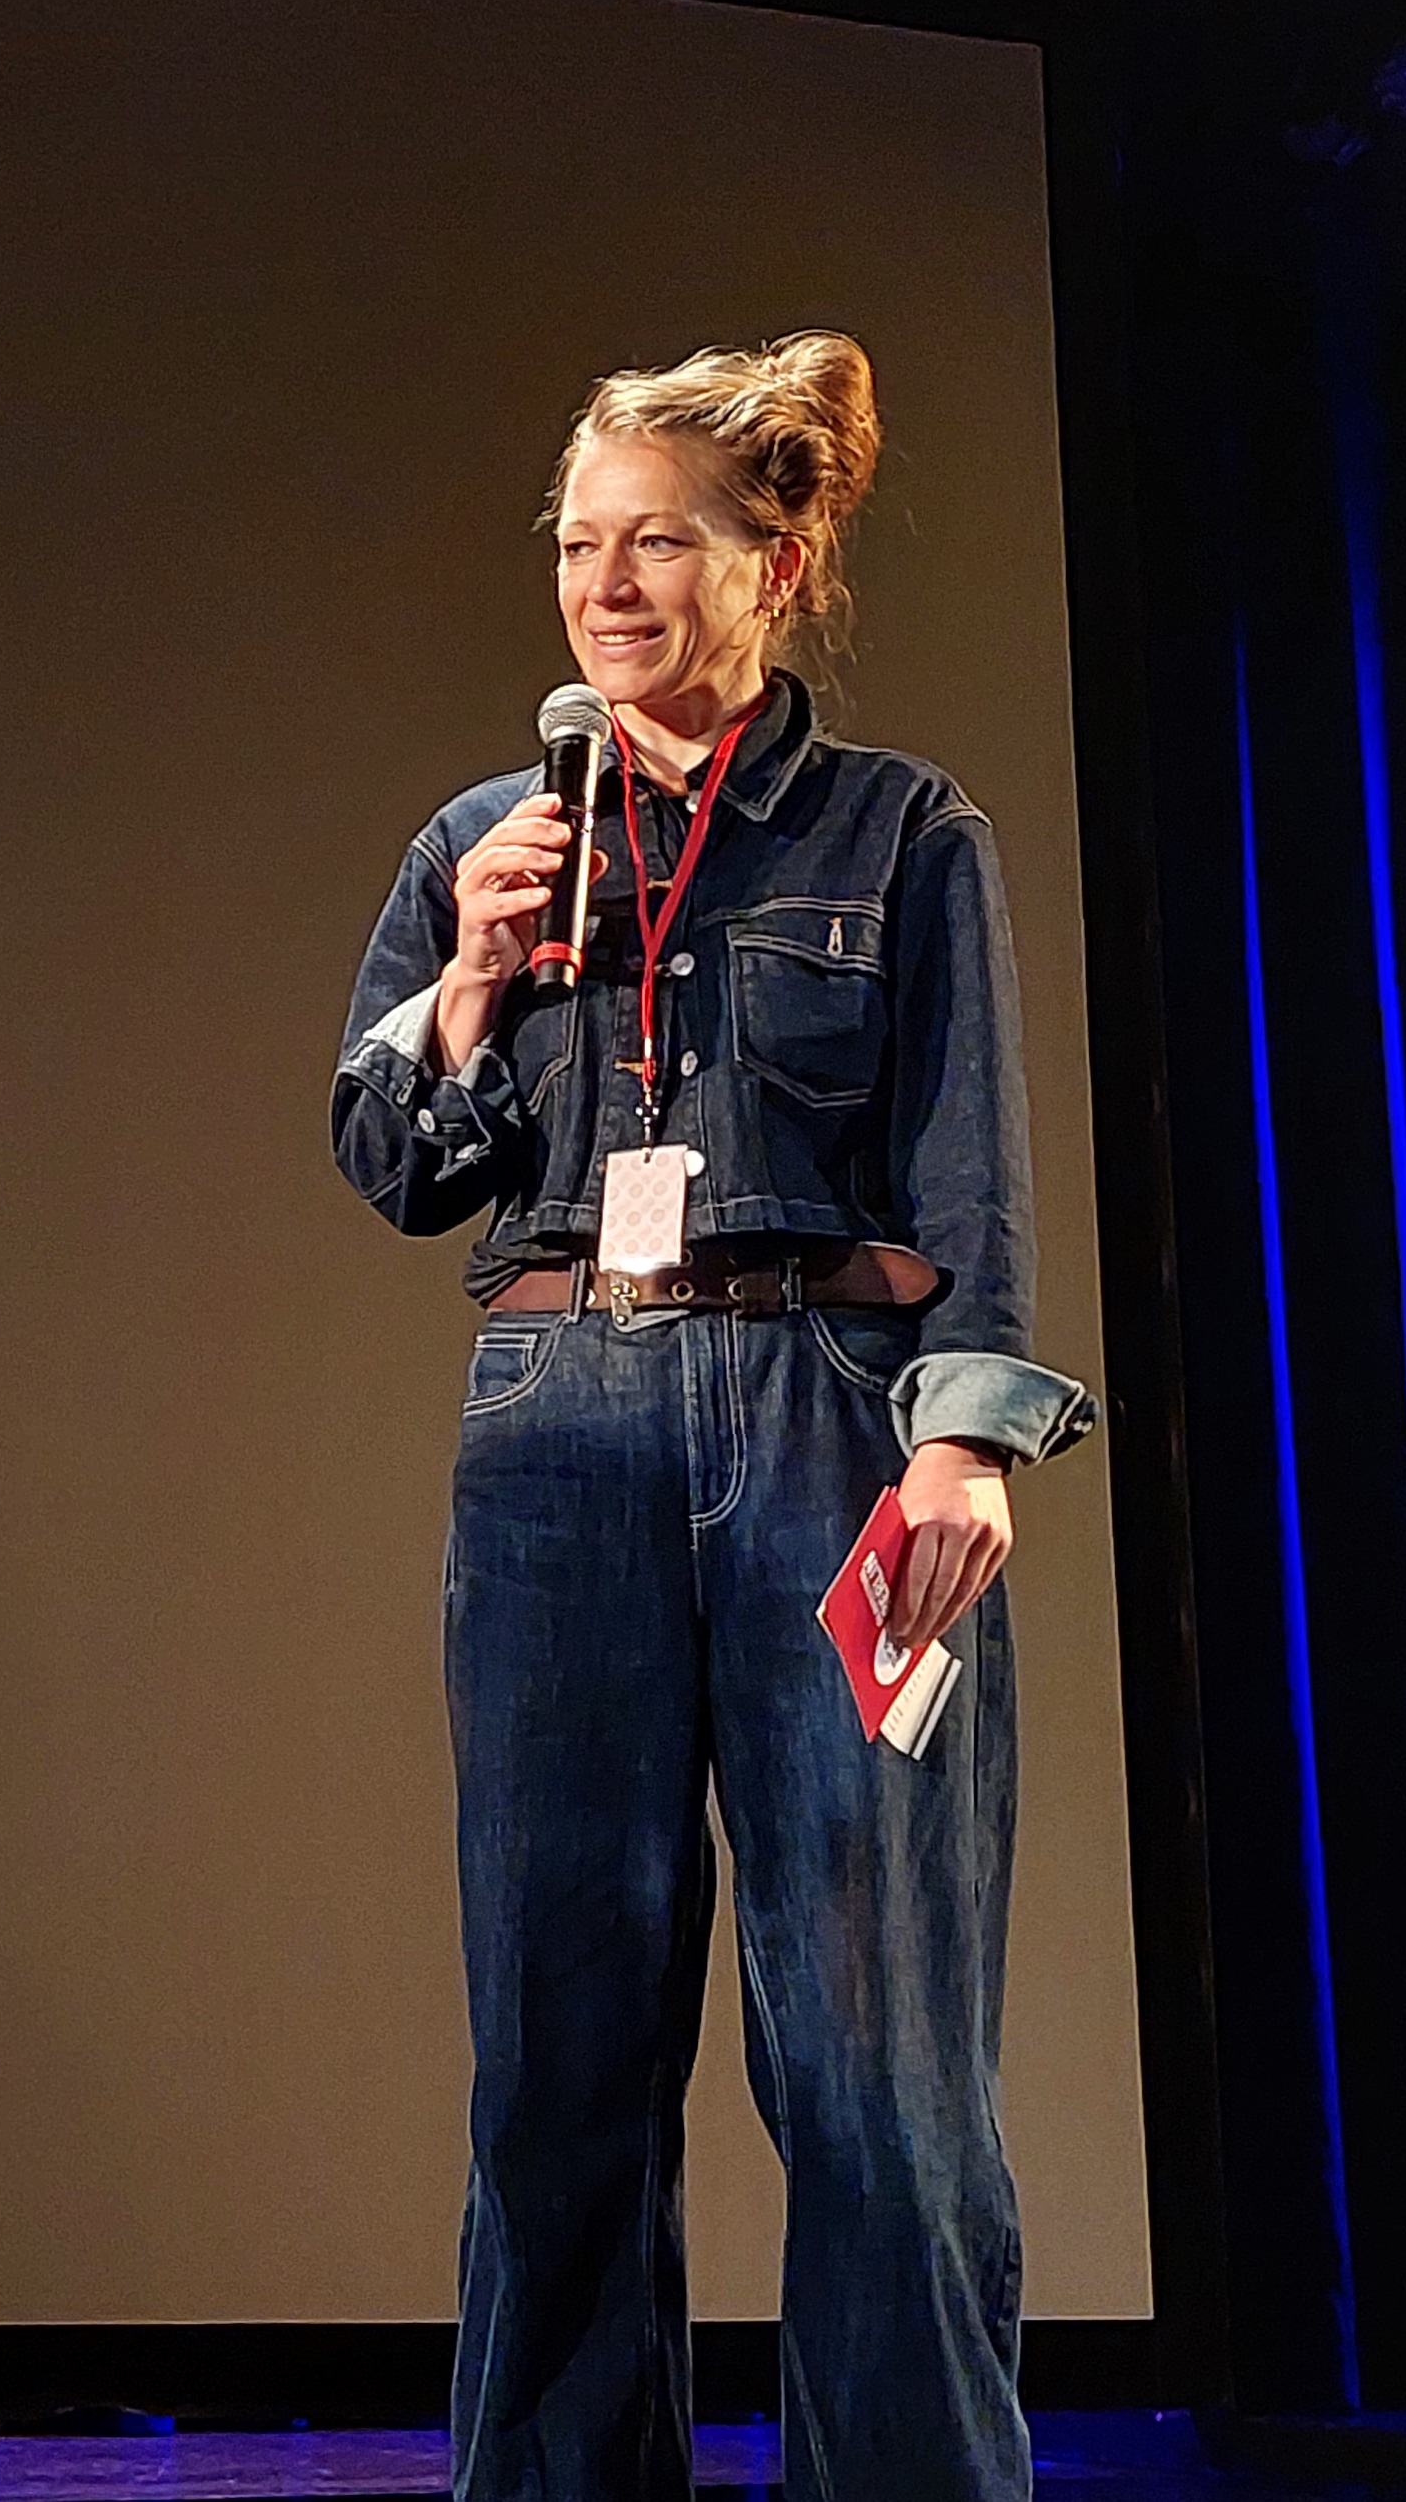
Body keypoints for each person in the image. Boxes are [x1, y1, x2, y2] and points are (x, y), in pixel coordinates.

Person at [330, 335, 1097, 2502]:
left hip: (834, 1430)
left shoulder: (896, 828)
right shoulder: (485, 838)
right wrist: (466, 991)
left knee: (875, 2053)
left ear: (778, 558)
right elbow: (391, 1167)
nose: (606, 584)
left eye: (657, 540)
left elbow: (970, 1172)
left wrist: (965, 1444)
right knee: (557, 2056)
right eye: (578, 546)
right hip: (552, 1421)